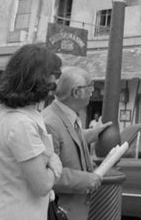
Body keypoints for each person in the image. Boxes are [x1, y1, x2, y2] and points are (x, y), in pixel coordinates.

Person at [0, 44, 64, 220]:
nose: (57, 82)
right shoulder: (22, 123)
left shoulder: (16, 115)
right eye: (55, 75)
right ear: (38, 77)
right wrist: (56, 166)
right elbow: (42, 185)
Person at [43, 66, 112, 220]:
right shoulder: (50, 123)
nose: (92, 91)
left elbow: (69, 140)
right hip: (61, 212)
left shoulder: (68, 114)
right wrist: (87, 179)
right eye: (90, 86)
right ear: (76, 92)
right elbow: (48, 174)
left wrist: (93, 133)